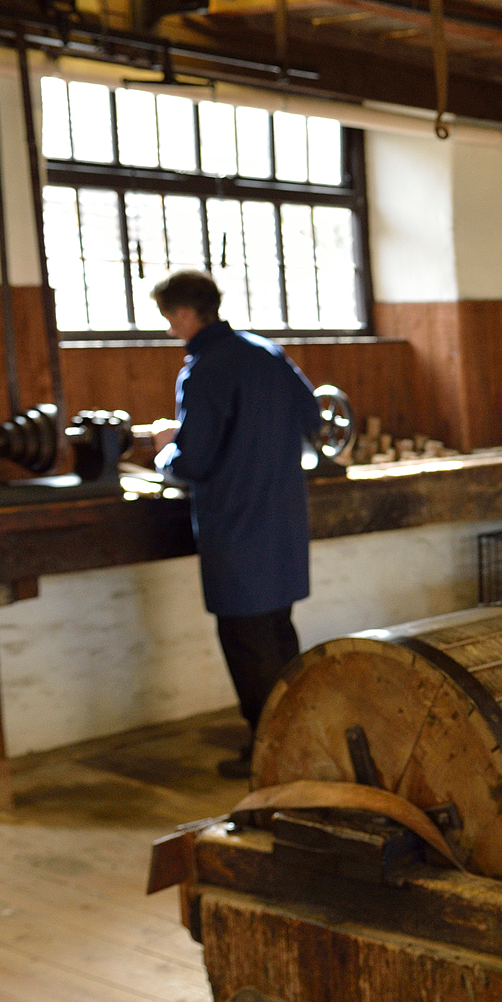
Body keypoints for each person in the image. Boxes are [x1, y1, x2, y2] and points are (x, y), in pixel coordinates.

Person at [151, 270, 323, 780]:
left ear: (184, 313)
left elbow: (196, 460)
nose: (167, 329)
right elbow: (312, 416)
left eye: (167, 318)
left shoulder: (204, 369)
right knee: (278, 636)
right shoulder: (265, 353)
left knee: (246, 646)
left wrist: (165, 451)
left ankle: (269, 754)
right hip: (282, 522)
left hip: (237, 527)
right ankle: (300, 739)